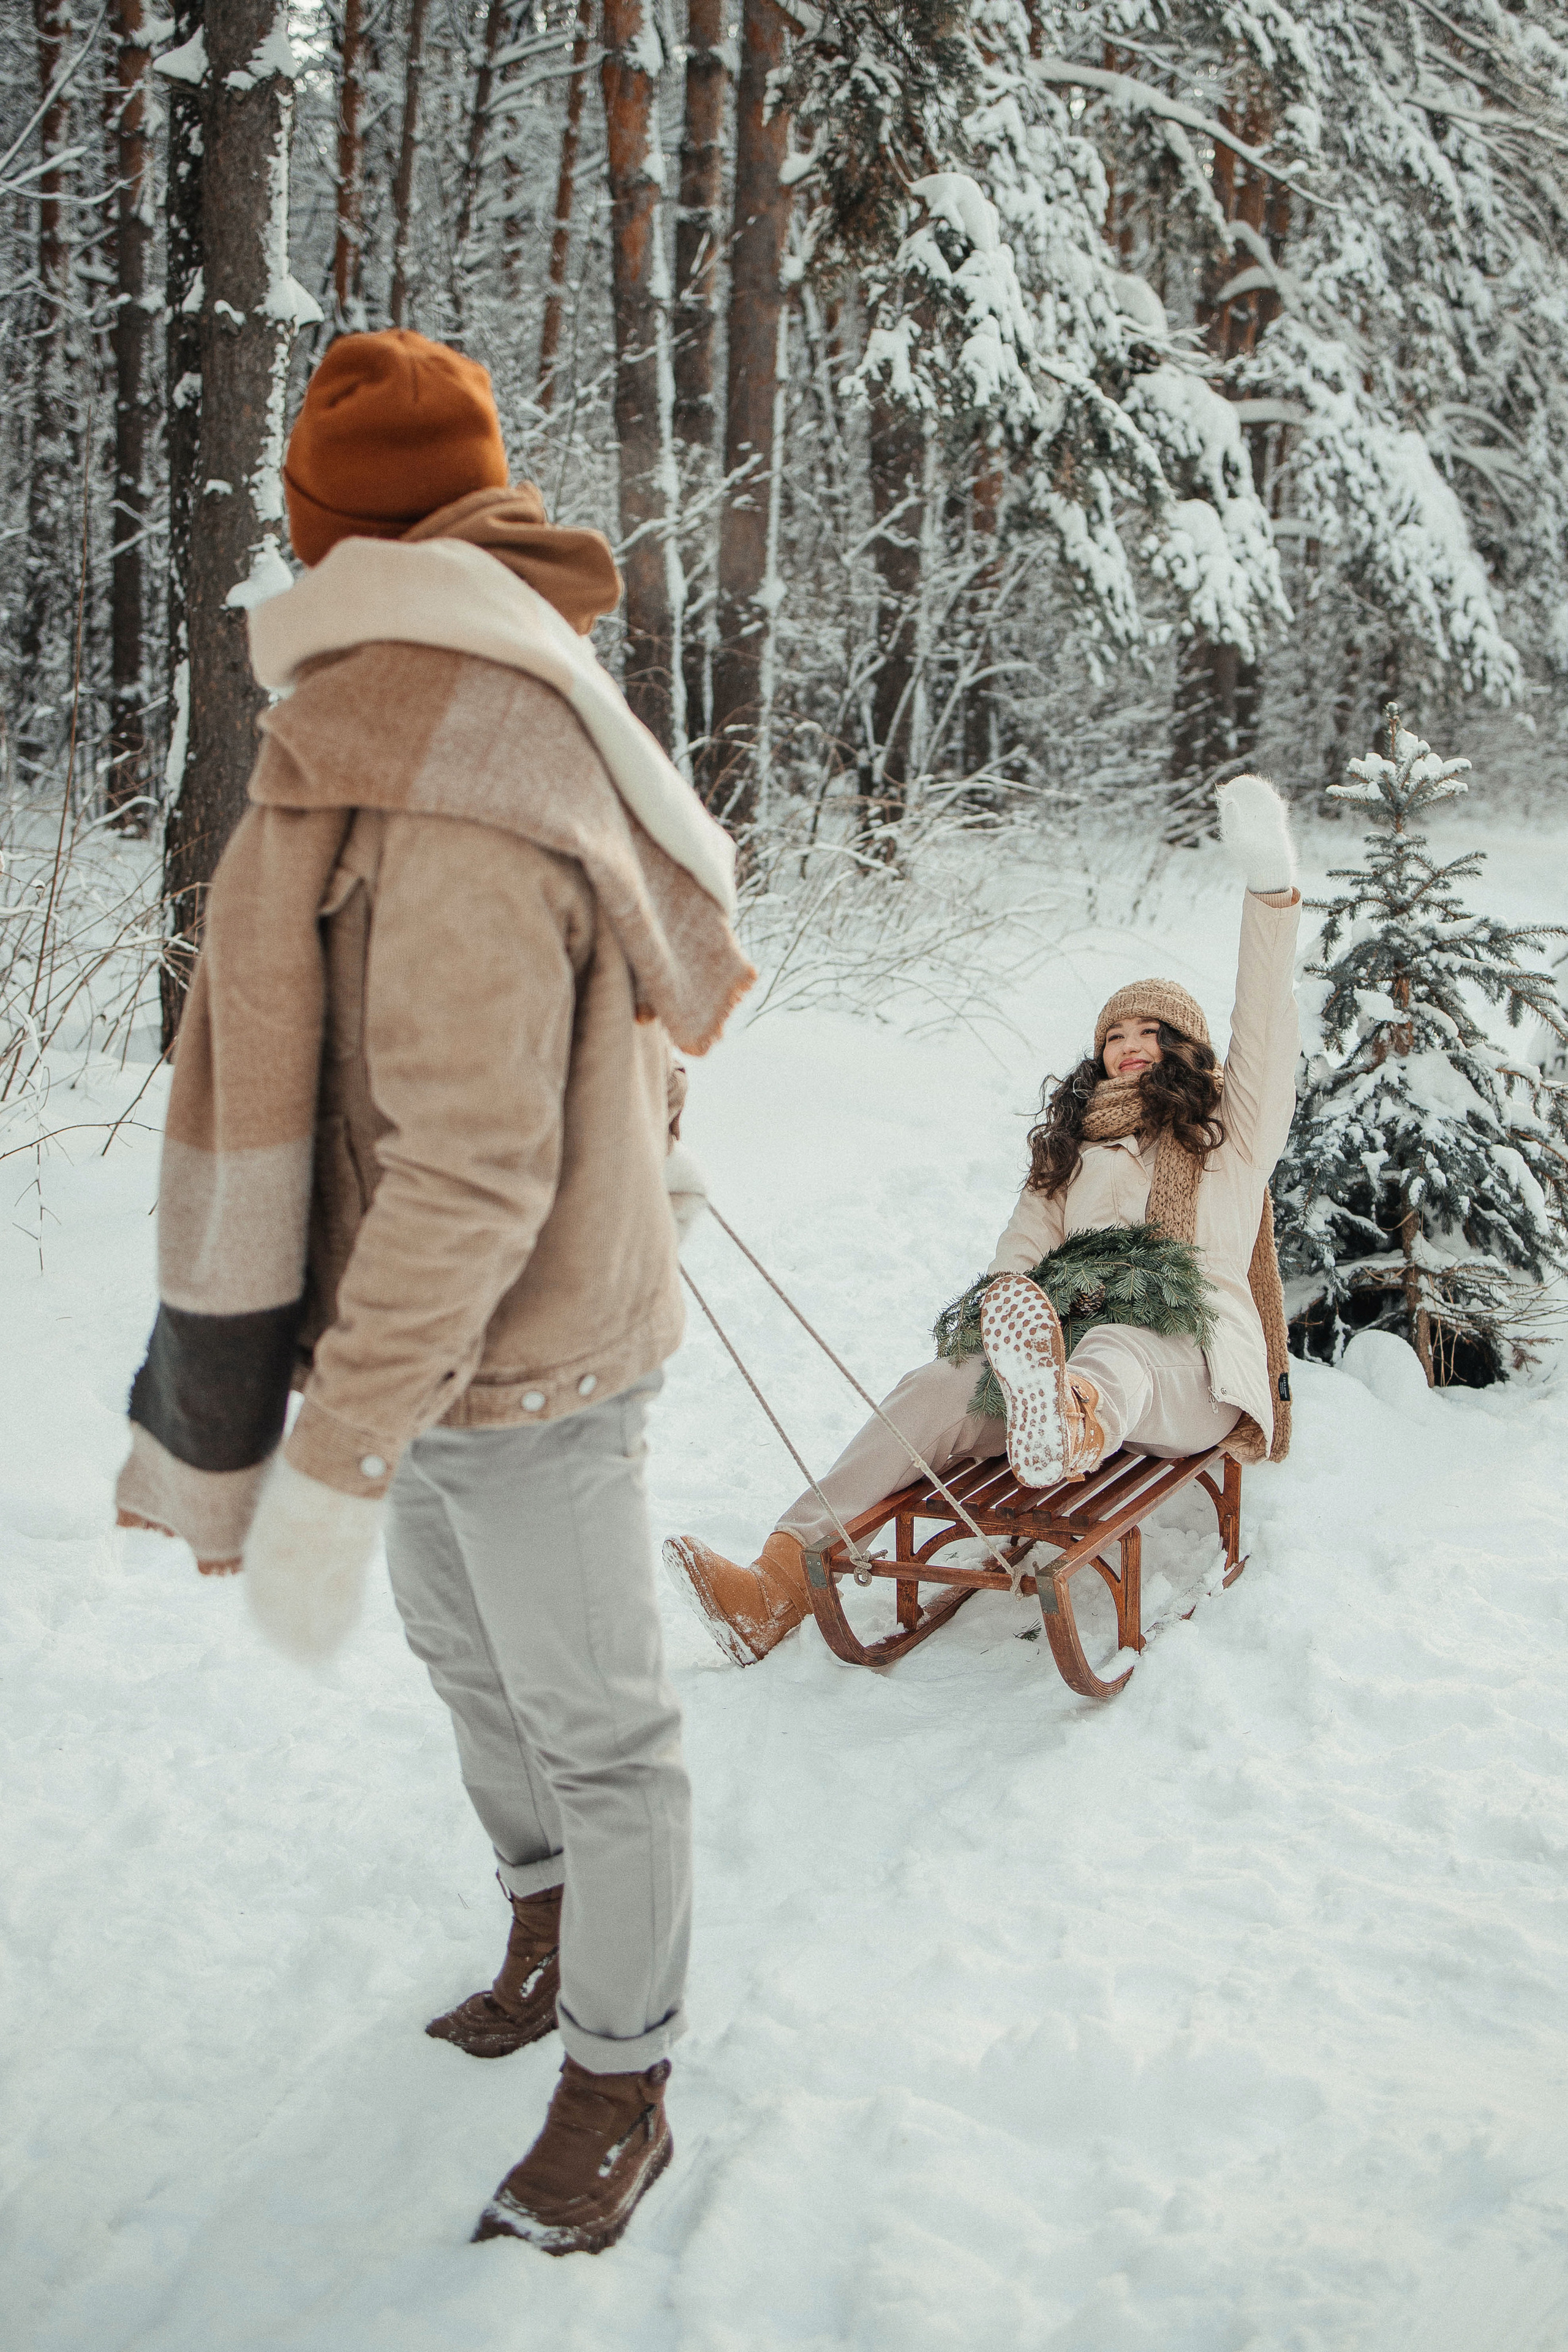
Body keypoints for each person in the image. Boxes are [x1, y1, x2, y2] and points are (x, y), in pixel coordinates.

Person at [115, 330, 754, 2253]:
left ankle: (624, 2077)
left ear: (338, 539)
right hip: (420, 1347)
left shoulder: (457, 758)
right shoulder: (408, 715)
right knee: (477, 1673)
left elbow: (477, 1165)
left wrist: (342, 1440)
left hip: (524, 1360)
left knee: (604, 1726)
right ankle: (548, 1926)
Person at [666, 774, 1300, 1665]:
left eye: (1154, 1031)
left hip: (1184, 1368)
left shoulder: (1225, 1144)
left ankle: (1067, 1422)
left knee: (1117, 1351)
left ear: (1187, 1053)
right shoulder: (1069, 1153)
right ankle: (774, 1585)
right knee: (930, 1391)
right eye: (1116, 1032)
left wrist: (1269, 888)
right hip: (1059, 1349)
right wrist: (1005, 1317)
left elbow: (1269, 1034)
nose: (1131, 1044)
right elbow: (1024, 1254)